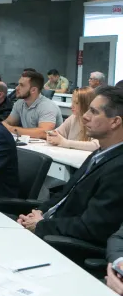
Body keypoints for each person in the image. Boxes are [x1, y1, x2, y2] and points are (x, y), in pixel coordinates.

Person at [17, 86, 123, 247]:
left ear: (115, 121)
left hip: (65, 245)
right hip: (52, 228)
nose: (85, 116)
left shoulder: (118, 167)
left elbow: (93, 227)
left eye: (94, 112)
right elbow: (65, 194)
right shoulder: (100, 153)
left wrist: (41, 225)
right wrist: (39, 212)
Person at [3, 70, 63, 139]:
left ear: (33, 90)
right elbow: (7, 122)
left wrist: (11, 129)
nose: (17, 88)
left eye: (21, 85)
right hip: (31, 144)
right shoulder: (19, 103)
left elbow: (44, 133)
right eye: (18, 84)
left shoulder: (48, 106)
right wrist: (4, 126)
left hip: (51, 145)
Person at [45, 87, 99, 151]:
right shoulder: (73, 117)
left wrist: (65, 143)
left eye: (76, 103)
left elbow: (96, 146)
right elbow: (57, 133)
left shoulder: (97, 121)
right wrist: (51, 136)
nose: (71, 106)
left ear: (87, 104)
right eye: (72, 102)